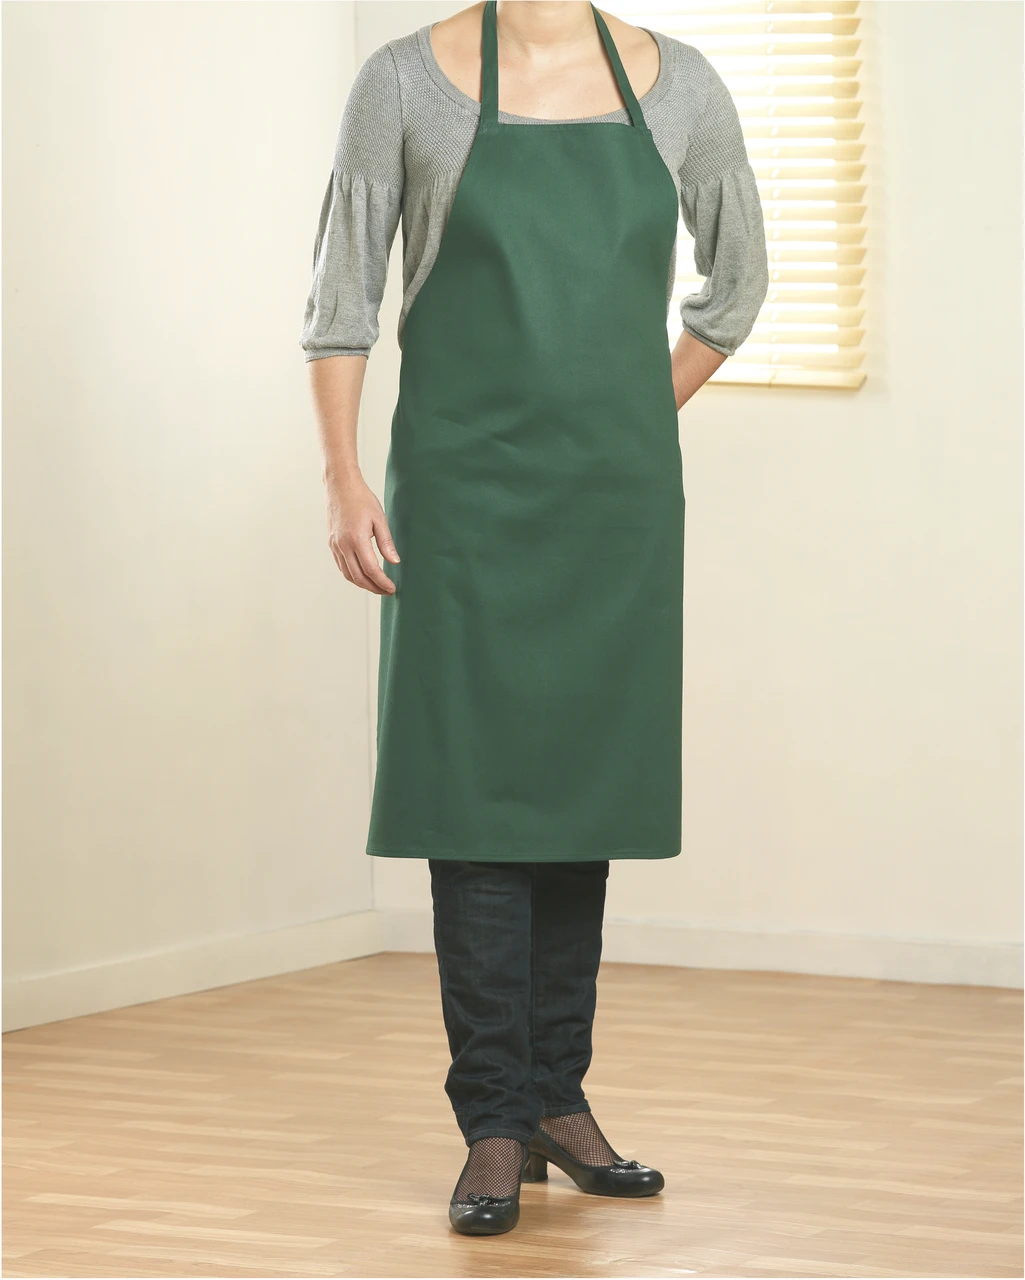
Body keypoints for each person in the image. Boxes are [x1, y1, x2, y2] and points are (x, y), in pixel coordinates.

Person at [300, 0, 768, 1237]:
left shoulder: (683, 85)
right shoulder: (402, 83)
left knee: (579, 793)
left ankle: (557, 1095)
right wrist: (343, 475)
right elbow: (341, 295)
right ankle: (493, 1119)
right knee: (474, 798)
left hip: (610, 501)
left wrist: (628, 410)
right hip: (459, 492)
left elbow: (736, 285)